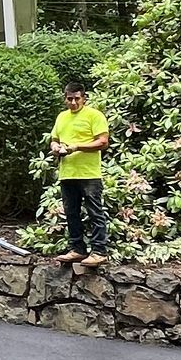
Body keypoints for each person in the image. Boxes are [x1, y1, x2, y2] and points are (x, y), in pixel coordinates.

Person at [50, 77, 111, 265]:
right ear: (64, 98)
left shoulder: (94, 115)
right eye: (69, 99)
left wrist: (76, 147)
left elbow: (103, 142)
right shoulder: (61, 117)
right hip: (67, 173)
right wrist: (55, 147)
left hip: (89, 174)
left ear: (84, 98)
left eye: (77, 98)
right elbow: (54, 138)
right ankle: (77, 249)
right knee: (71, 213)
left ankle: (99, 251)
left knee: (95, 212)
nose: (73, 102)